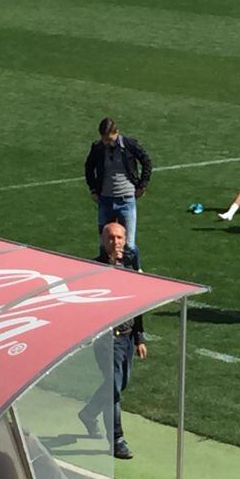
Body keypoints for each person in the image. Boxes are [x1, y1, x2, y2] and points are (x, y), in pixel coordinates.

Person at [78, 222, 147, 460]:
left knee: (120, 383)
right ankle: (116, 438)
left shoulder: (131, 263)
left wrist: (139, 336)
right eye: (111, 238)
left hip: (127, 337)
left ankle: (89, 412)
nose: (115, 242)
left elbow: (139, 300)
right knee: (113, 390)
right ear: (102, 240)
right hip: (107, 338)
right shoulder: (95, 267)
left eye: (119, 238)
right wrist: (113, 264)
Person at [84, 117, 152, 266]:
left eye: (110, 139)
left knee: (129, 245)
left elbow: (146, 161)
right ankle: (106, 271)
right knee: (104, 244)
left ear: (117, 133)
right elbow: (89, 168)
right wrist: (93, 189)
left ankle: (136, 270)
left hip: (126, 199)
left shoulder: (129, 144)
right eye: (104, 139)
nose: (107, 143)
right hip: (105, 200)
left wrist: (142, 185)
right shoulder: (98, 147)